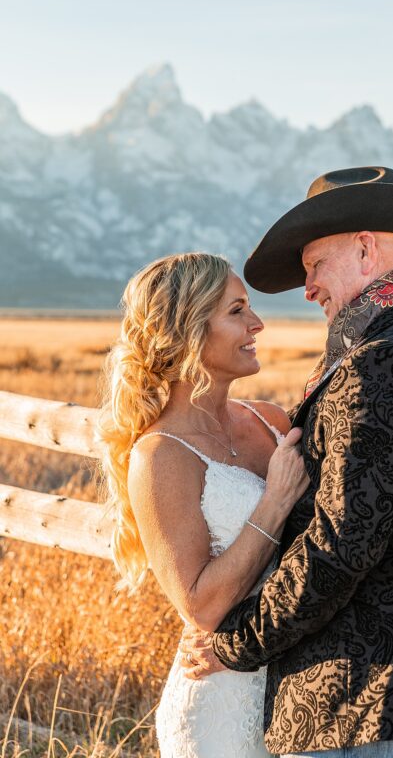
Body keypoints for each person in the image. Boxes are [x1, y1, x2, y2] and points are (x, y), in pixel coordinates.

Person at [182, 166, 393, 758]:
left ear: (366, 250)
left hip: (368, 687)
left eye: (314, 266)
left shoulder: (384, 363)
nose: (309, 288)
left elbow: (339, 545)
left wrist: (235, 645)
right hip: (390, 678)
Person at [98, 251, 310, 758]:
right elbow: (202, 605)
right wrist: (275, 502)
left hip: (299, 691)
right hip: (219, 705)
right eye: (237, 311)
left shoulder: (271, 422)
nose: (257, 323)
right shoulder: (160, 456)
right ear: (188, 329)